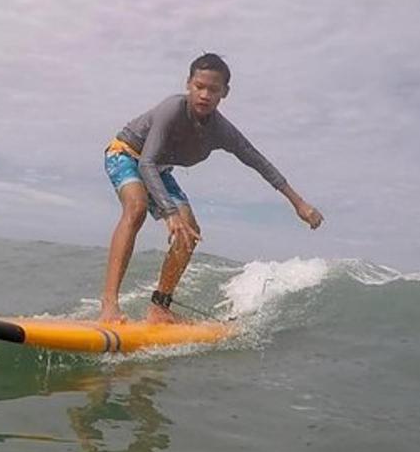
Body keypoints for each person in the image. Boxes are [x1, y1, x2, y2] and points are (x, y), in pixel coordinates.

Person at [98, 53, 323, 325]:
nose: (204, 94)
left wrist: (298, 203)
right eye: (199, 86)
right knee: (137, 208)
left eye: (213, 89)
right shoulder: (172, 110)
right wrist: (170, 213)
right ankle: (109, 305)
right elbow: (146, 162)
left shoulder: (222, 131)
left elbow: (258, 161)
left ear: (224, 93)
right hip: (127, 154)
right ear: (188, 84)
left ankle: (160, 307)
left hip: (159, 169)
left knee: (190, 233)